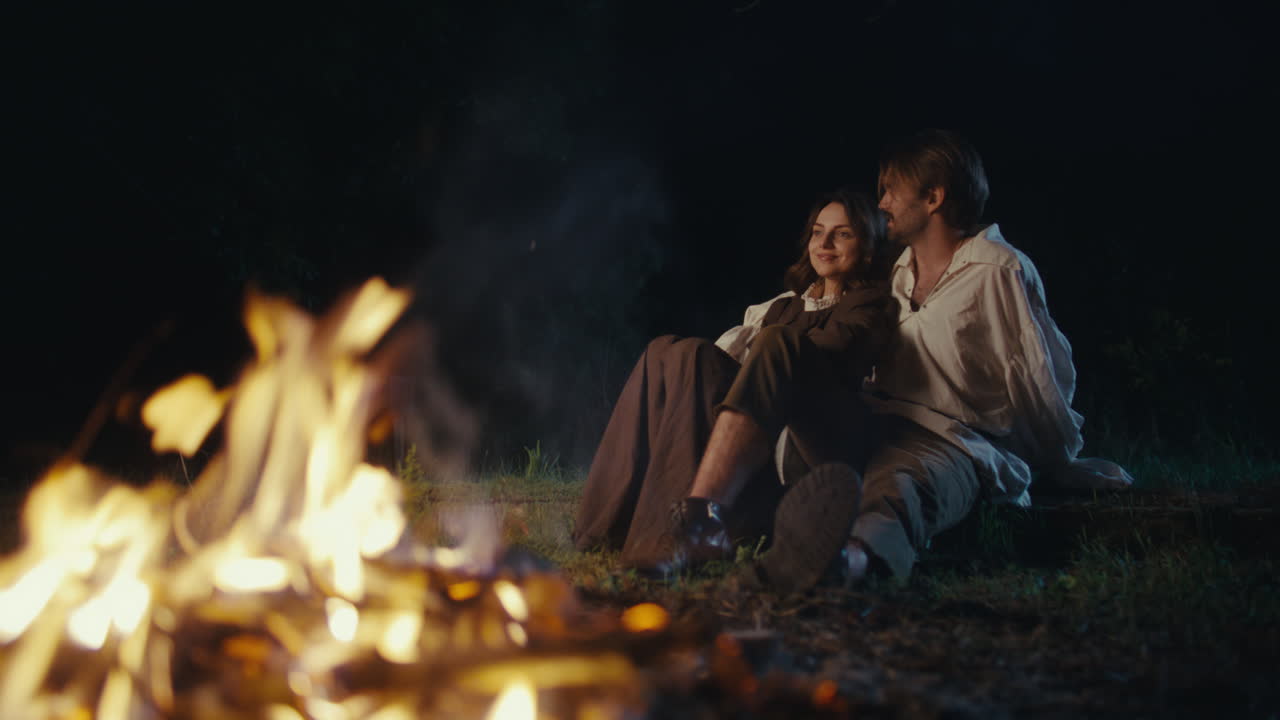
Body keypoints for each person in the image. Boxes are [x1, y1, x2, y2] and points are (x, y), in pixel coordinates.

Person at [837, 129, 1134, 582]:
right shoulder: (897, 274)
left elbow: (1036, 374)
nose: (882, 204)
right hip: (882, 420)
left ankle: (851, 564)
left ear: (933, 197)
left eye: (891, 191)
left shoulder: (998, 269)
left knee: (900, 486)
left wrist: (1051, 458)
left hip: (954, 441)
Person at [572, 189, 898, 589]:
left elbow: (819, 359)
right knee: (674, 351)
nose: (825, 244)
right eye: (818, 232)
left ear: (867, 244)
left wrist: (761, 355)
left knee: (759, 345)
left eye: (842, 234)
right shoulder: (786, 307)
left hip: (806, 452)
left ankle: (689, 530)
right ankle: (606, 524)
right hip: (752, 443)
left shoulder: (873, 303)